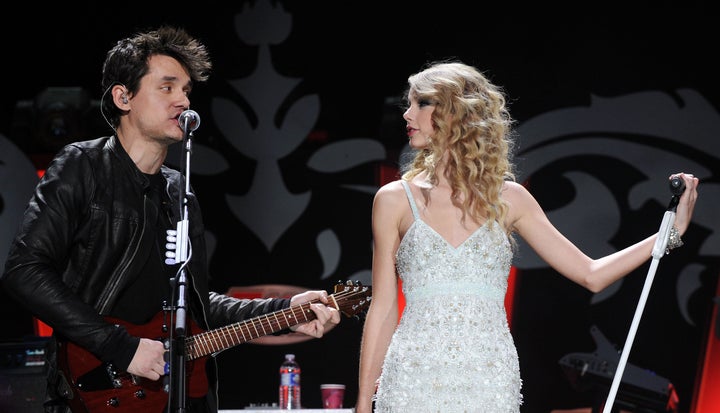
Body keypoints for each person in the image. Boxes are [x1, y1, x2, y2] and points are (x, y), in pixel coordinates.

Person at [0, 26, 341, 413]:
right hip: (94, 388)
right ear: (123, 96)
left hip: (173, 395)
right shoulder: (83, 165)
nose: (183, 100)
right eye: (167, 87)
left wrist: (286, 312)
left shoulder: (180, 192)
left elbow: (195, 308)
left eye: (186, 90)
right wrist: (122, 347)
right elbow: (24, 270)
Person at [355, 61, 699, 413]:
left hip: (487, 378)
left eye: (420, 103)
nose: (407, 113)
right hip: (412, 376)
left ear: (456, 112)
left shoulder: (509, 198)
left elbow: (591, 275)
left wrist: (669, 234)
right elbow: (383, 308)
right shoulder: (394, 199)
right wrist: (364, 402)